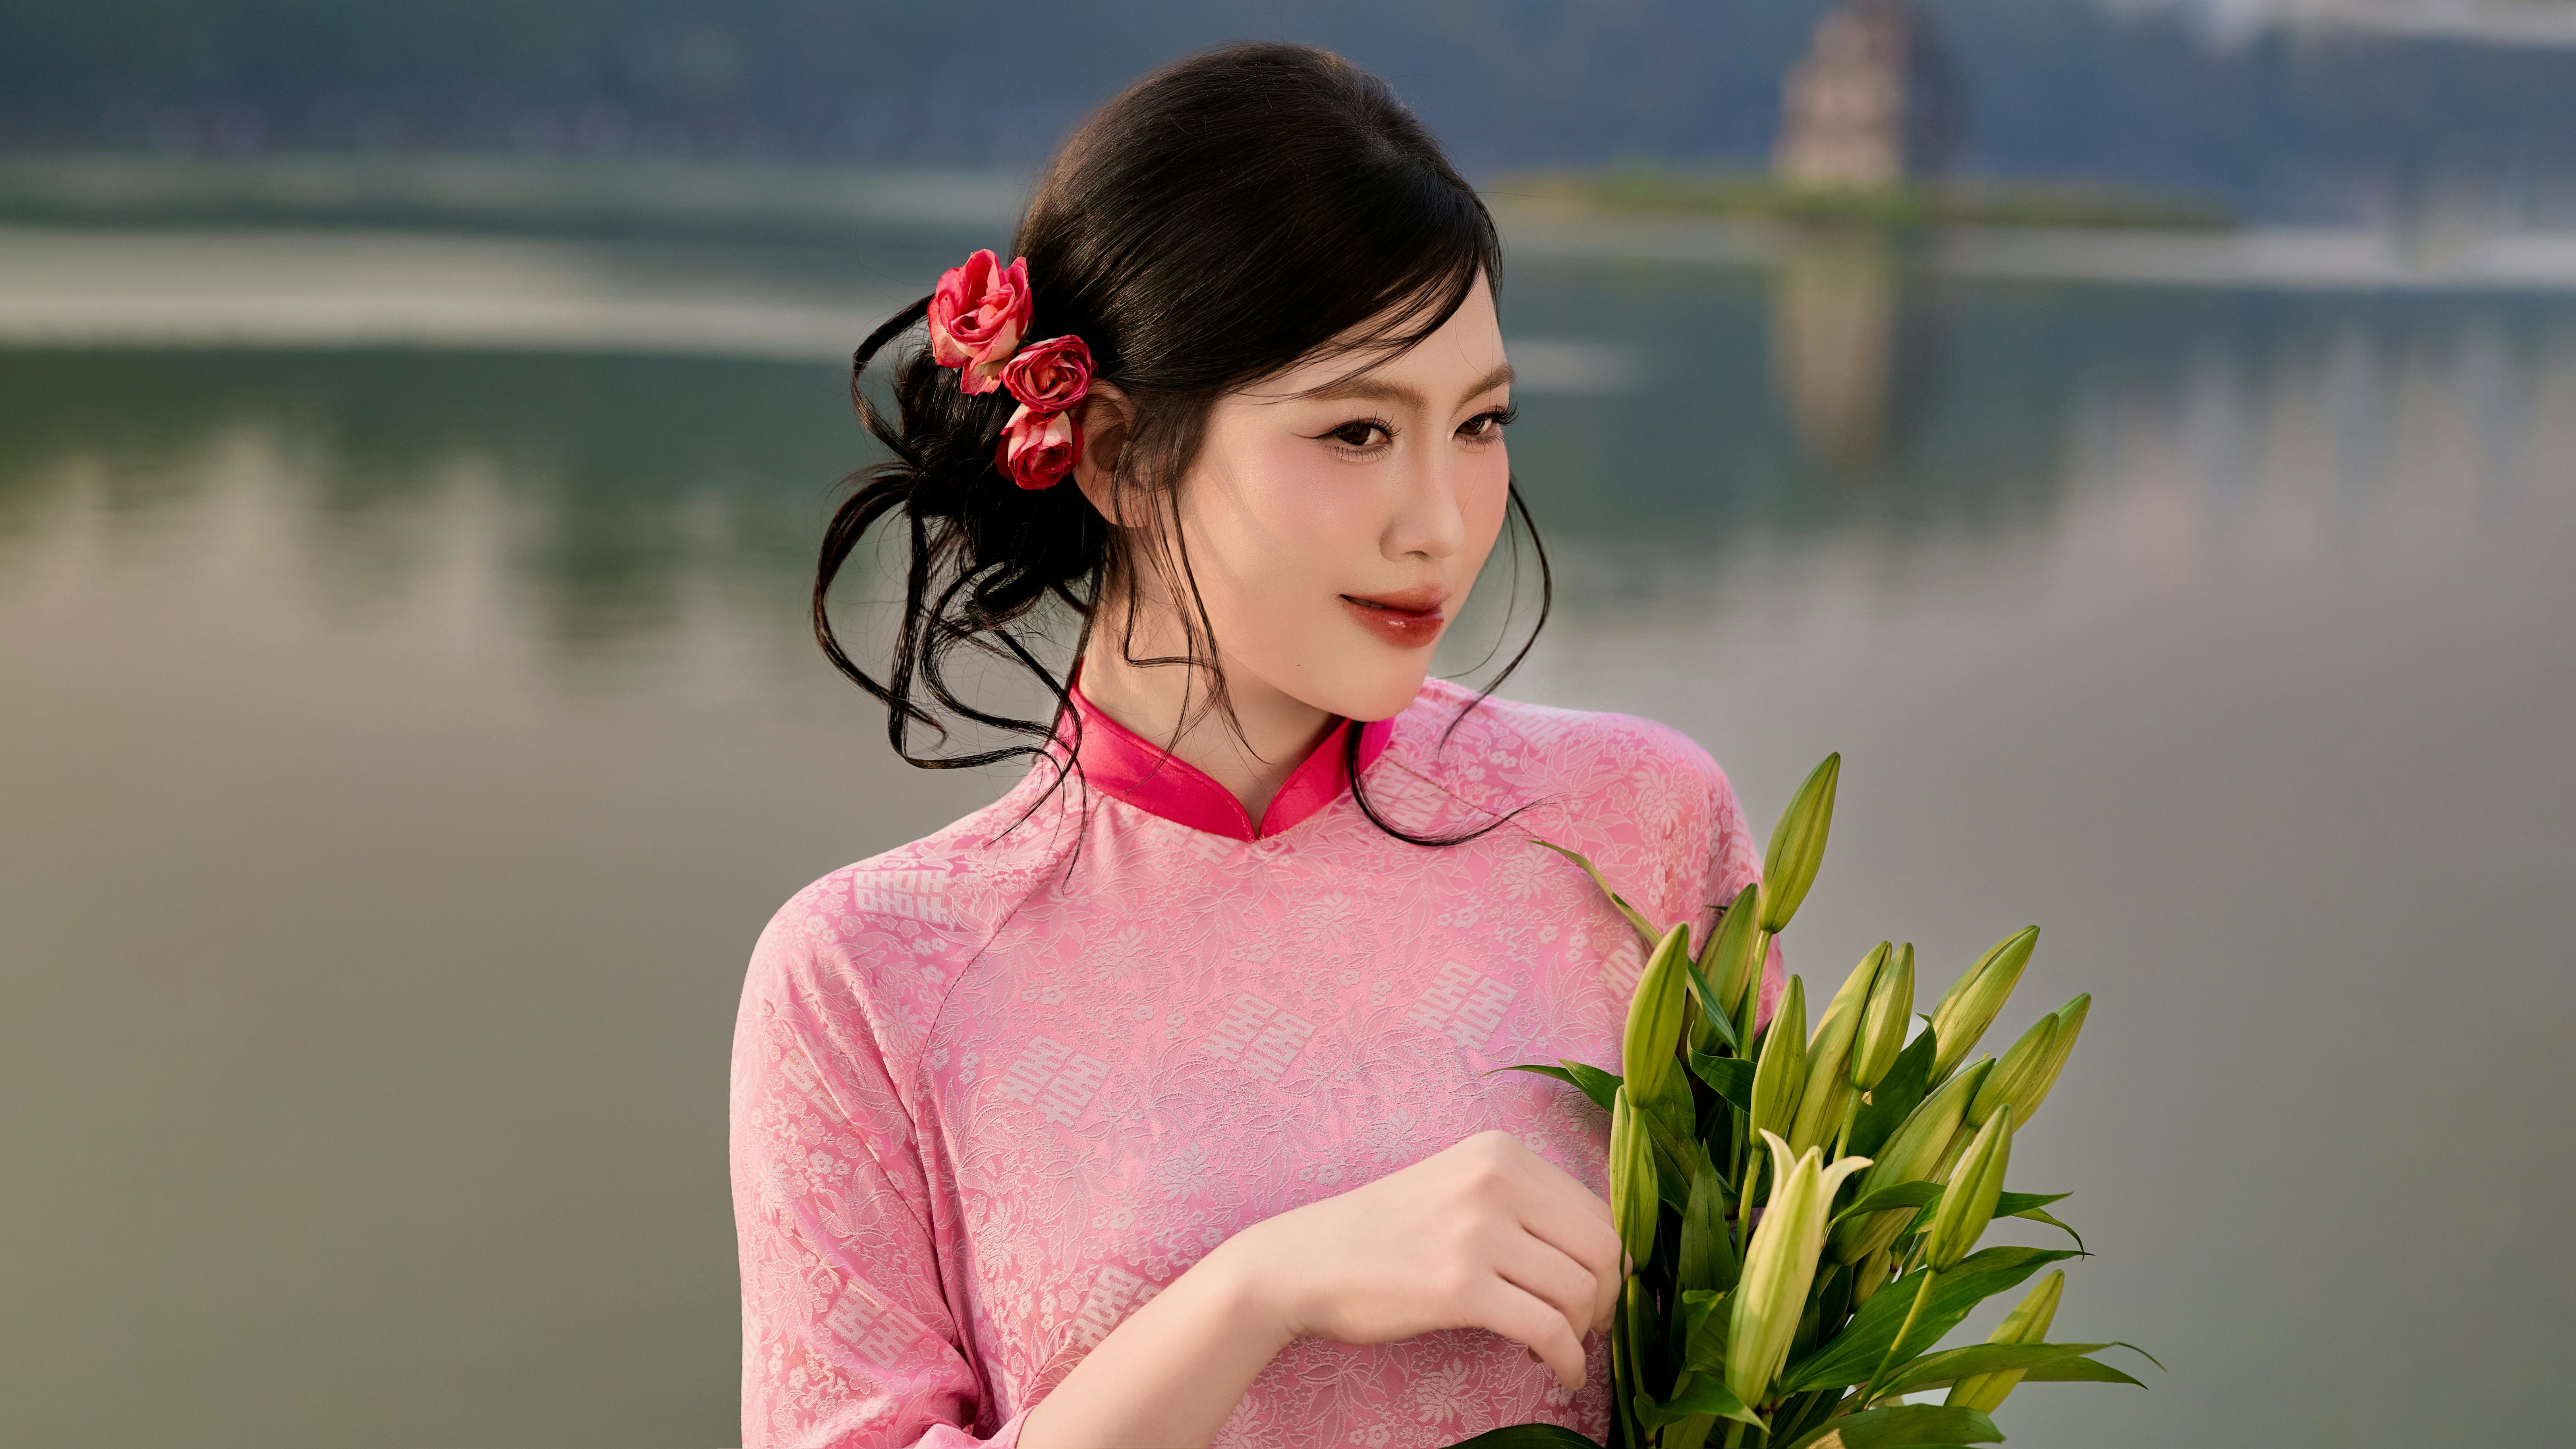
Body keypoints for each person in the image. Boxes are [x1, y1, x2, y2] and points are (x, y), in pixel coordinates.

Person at [731, 42, 1779, 1449]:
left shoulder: (1636, 825)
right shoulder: (869, 979)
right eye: (1355, 431)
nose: (1441, 524)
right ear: (1114, 454)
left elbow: (1798, 1369)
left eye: (1479, 423)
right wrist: (1257, 1292)